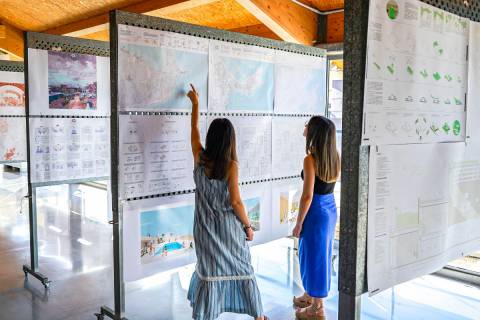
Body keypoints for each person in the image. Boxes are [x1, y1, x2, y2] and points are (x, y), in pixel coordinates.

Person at [186, 84, 268, 320]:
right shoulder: (231, 166)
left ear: (212, 138)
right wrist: (248, 226)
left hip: (203, 229)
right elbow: (236, 201)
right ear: (230, 140)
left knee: (209, 272)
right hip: (228, 230)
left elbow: (193, 129)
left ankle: (206, 314)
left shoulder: (200, 158)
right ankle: (258, 315)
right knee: (242, 268)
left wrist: (195, 104)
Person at [292, 116, 340, 320]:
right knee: (320, 255)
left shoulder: (310, 159)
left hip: (315, 209)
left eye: (307, 125)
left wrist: (299, 222)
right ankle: (310, 295)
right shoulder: (334, 155)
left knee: (313, 257)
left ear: (315, 133)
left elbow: (308, 195)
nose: (305, 127)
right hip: (329, 208)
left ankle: (317, 308)